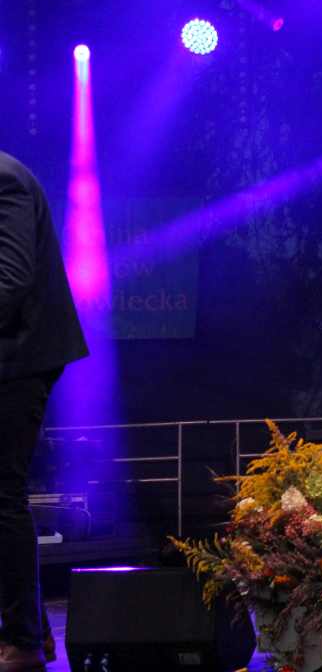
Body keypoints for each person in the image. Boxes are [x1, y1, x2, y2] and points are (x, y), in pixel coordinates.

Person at [1, 152, 89, 672]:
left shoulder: (4, 179)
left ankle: (24, 643)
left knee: (2, 495)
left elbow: (10, 281)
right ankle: (28, 628)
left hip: (17, 360)